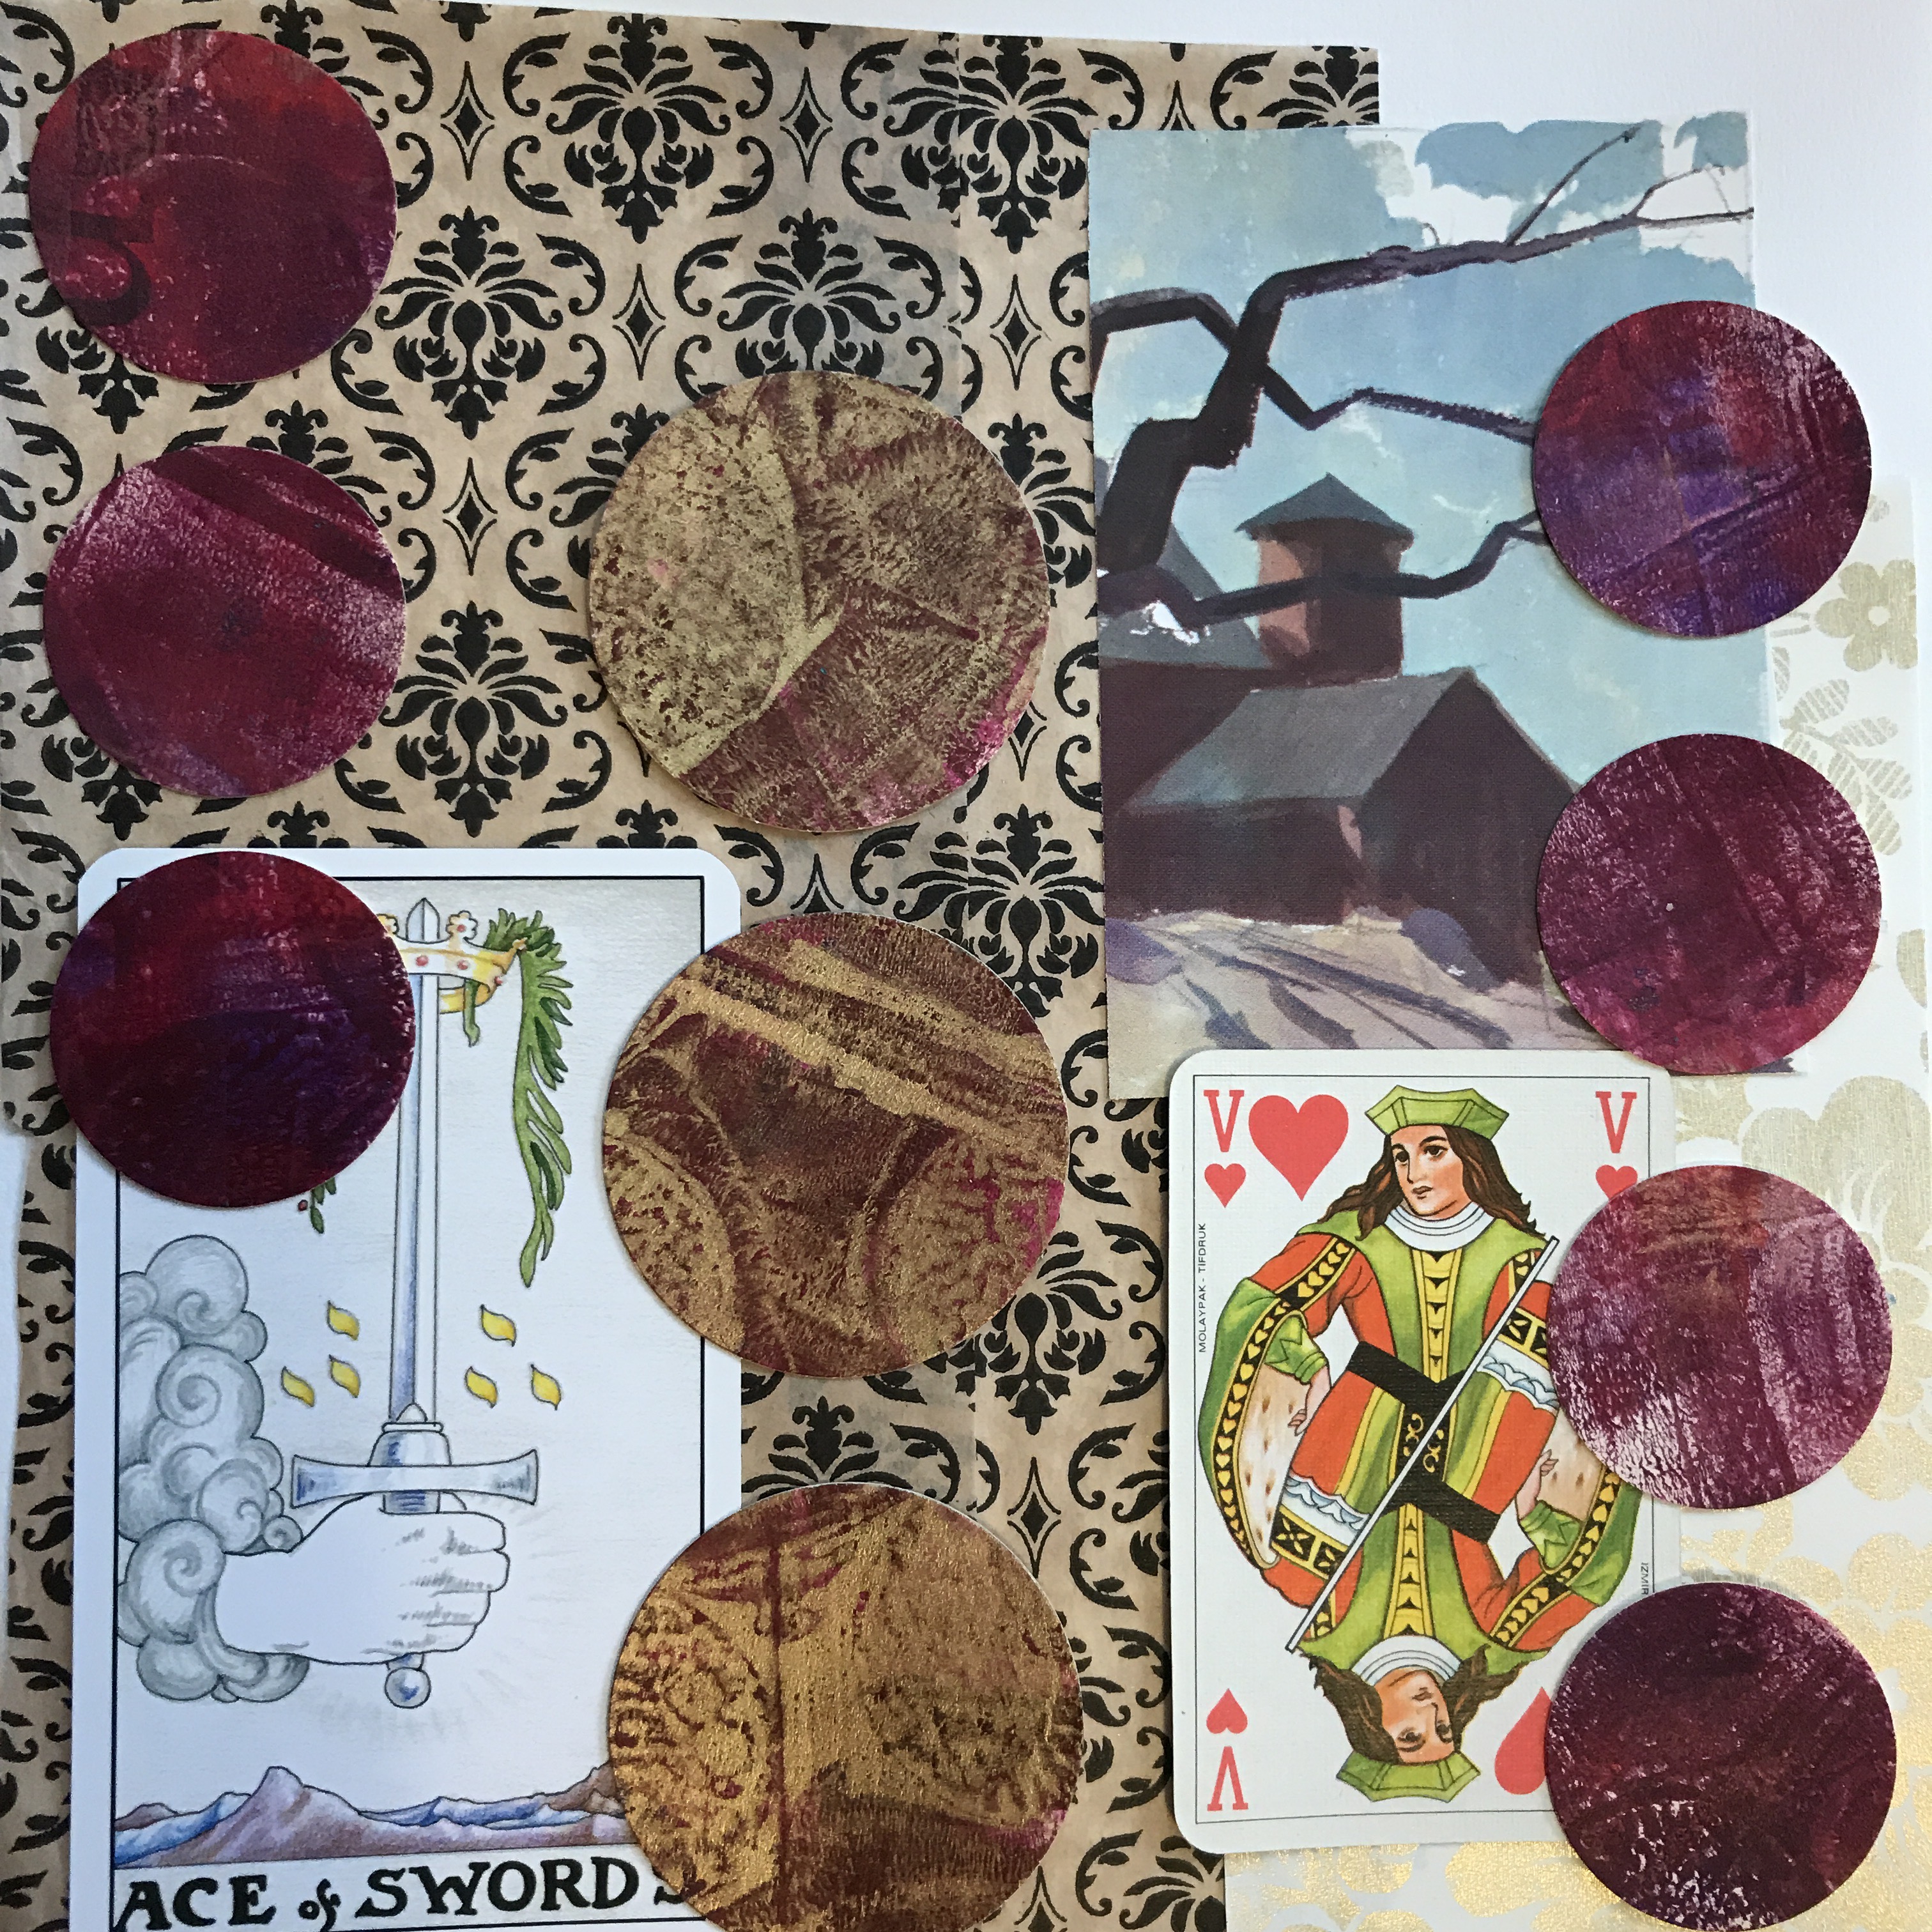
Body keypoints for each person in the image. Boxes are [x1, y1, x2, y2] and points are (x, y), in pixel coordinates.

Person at [1199, 1086, 1637, 1801]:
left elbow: (1570, 1361)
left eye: (1432, 1152)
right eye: (1401, 1156)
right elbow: (1261, 1308)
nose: (1414, 1172)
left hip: (1392, 1469)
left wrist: (1542, 1477)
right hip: (1366, 1435)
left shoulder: (1317, 1612)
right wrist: (1305, 1371)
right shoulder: (1488, 1647)